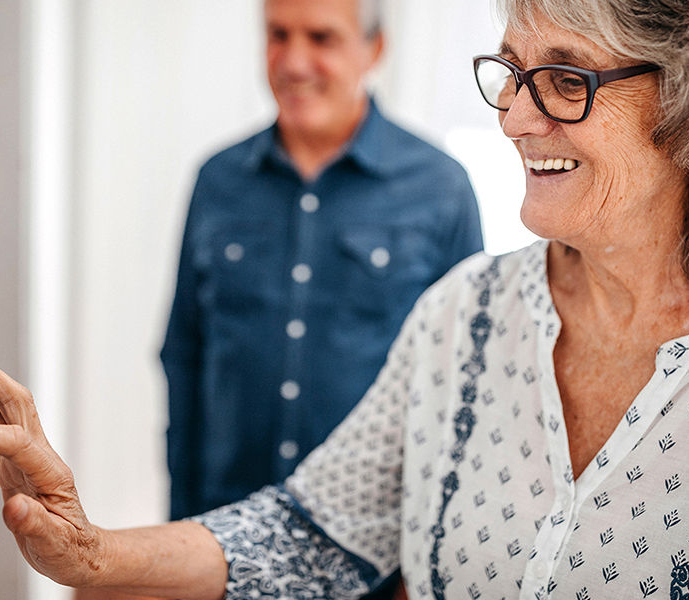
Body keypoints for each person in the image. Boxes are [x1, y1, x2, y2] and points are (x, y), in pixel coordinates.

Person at [0, 0, 689, 597]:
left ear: (687, 100)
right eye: (510, 72)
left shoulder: (435, 187)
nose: (510, 116)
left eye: (567, 79)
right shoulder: (465, 315)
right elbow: (316, 532)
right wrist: (95, 552)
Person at [161, 0, 483, 527]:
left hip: (374, 541)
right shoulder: (217, 181)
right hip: (227, 526)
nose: (293, 61)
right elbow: (184, 354)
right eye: (278, 34)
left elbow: (465, 379)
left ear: (374, 49)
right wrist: (180, 523)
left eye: (322, 38)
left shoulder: (440, 188)